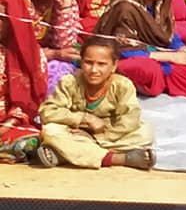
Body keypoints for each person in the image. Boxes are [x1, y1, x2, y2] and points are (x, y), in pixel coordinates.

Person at [37, 37, 155, 170]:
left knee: (144, 132)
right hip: (75, 132)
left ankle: (65, 155)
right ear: (81, 62)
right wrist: (84, 118)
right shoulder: (69, 82)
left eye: (101, 64)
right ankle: (118, 159)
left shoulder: (123, 85)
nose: (94, 70)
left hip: (108, 135)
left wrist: (97, 137)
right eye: (88, 62)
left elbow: (129, 119)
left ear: (114, 66)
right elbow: (48, 112)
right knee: (50, 131)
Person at [0, 0, 47, 162]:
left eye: (1, 17)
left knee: (31, 140)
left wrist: (6, 126)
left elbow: (28, 105)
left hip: (9, 125)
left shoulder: (32, 57)